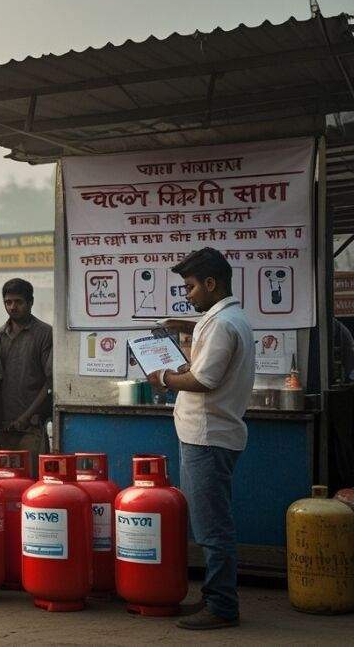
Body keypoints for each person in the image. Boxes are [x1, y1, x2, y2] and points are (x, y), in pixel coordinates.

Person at [145, 247, 253, 631]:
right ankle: (213, 597)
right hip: (207, 435)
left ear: (211, 283)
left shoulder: (223, 324)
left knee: (212, 528)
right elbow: (203, 362)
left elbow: (203, 380)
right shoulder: (222, 318)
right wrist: (188, 328)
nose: (187, 294)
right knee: (211, 523)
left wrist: (163, 379)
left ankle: (222, 605)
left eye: (190, 287)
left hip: (208, 437)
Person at [0, 278, 52, 464]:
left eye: (18, 302)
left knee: (31, 481)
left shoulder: (44, 333)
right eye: (8, 302)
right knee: (2, 481)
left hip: (31, 427)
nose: (12, 307)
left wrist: (26, 417)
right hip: (3, 427)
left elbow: (50, 382)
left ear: (30, 302)